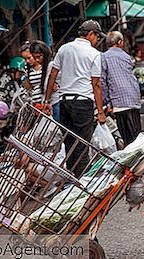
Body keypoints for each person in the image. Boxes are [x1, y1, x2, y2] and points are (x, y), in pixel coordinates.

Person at [43, 20, 106, 177]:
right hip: (83, 103)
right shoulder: (94, 54)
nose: (97, 41)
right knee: (82, 146)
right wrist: (100, 111)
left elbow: (53, 74)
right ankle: (82, 182)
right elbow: (96, 84)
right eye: (97, 37)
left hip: (64, 102)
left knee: (69, 142)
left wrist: (47, 100)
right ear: (91, 35)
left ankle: (73, 178)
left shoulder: (64, 49)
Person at [101, 31, 141, 145]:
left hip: (118, 102)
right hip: (133, 99)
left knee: (127, 139)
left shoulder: (103, 57)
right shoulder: (126, 56)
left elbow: (103, 82)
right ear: (120, 42)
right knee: (136, 137)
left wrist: (106, 102)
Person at [30, 40, 61, 122]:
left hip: (55, 102)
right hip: (50, 104)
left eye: (39, 57)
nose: (37, 60)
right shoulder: (44, 68)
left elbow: (50, 84)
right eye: (35, 57)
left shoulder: (51, 65)